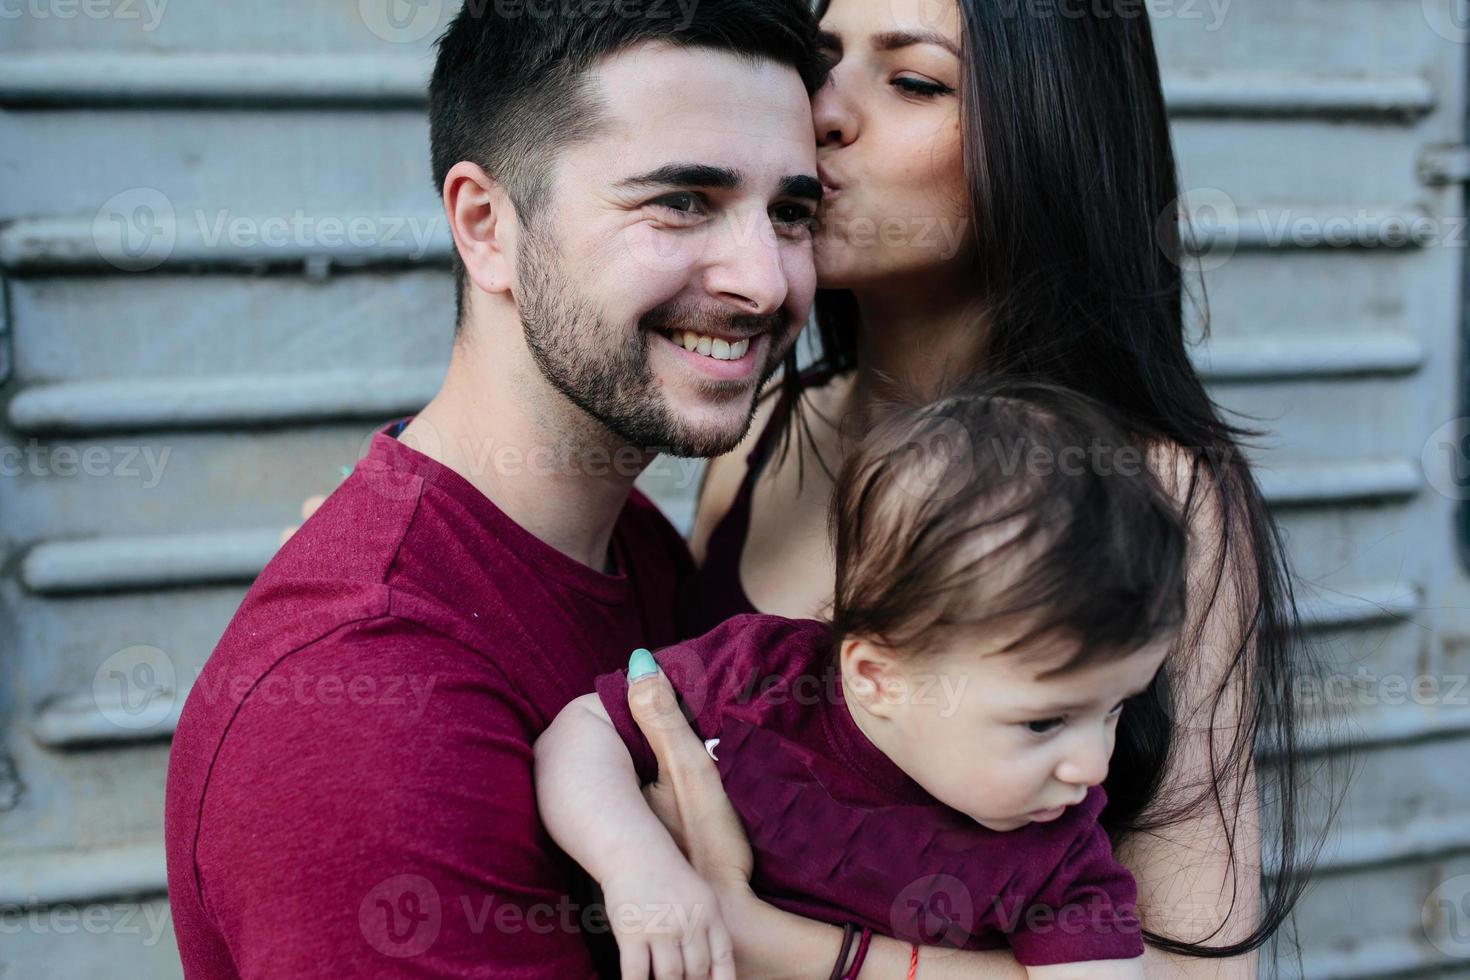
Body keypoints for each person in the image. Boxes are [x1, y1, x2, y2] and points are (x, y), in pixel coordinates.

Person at [163, 2, 827, 976]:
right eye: (681, 201)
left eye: (792, 213)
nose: (766, 282)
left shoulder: (629, 543)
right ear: (486, 227)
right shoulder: (368, 702)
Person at [536, 379, 1189, 978]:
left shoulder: (1057, 855)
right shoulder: (760, 681)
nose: (1092, 765)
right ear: (877, 678)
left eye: (1115, 711)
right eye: (1045, 721)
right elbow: (581, 733)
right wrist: (634, 864)